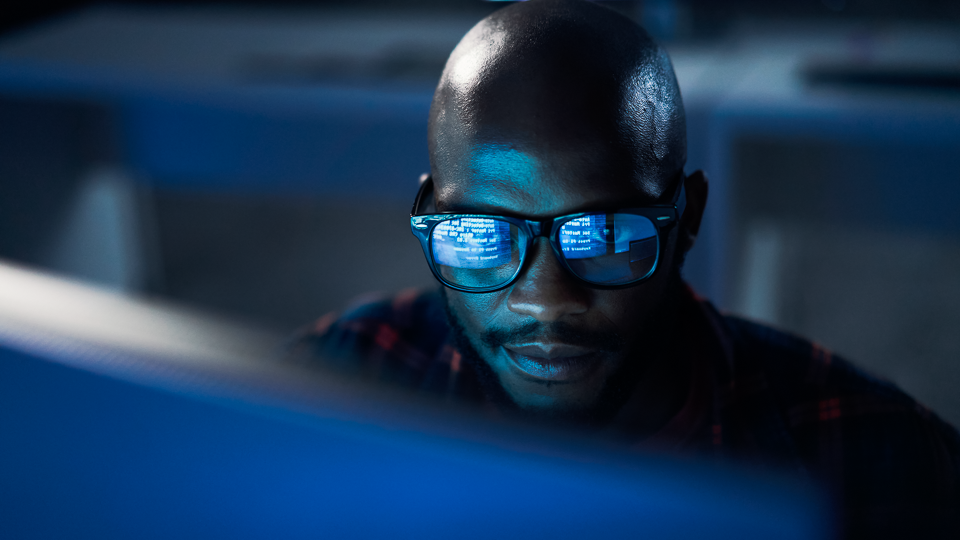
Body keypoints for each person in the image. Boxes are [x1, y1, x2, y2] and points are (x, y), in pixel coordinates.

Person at [289, 0, 959, 537]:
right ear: (431, 216)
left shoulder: (884, 468)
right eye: (480, 233)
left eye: (601, 233)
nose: (547, 301)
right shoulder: (338, 383)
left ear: (687, 217)